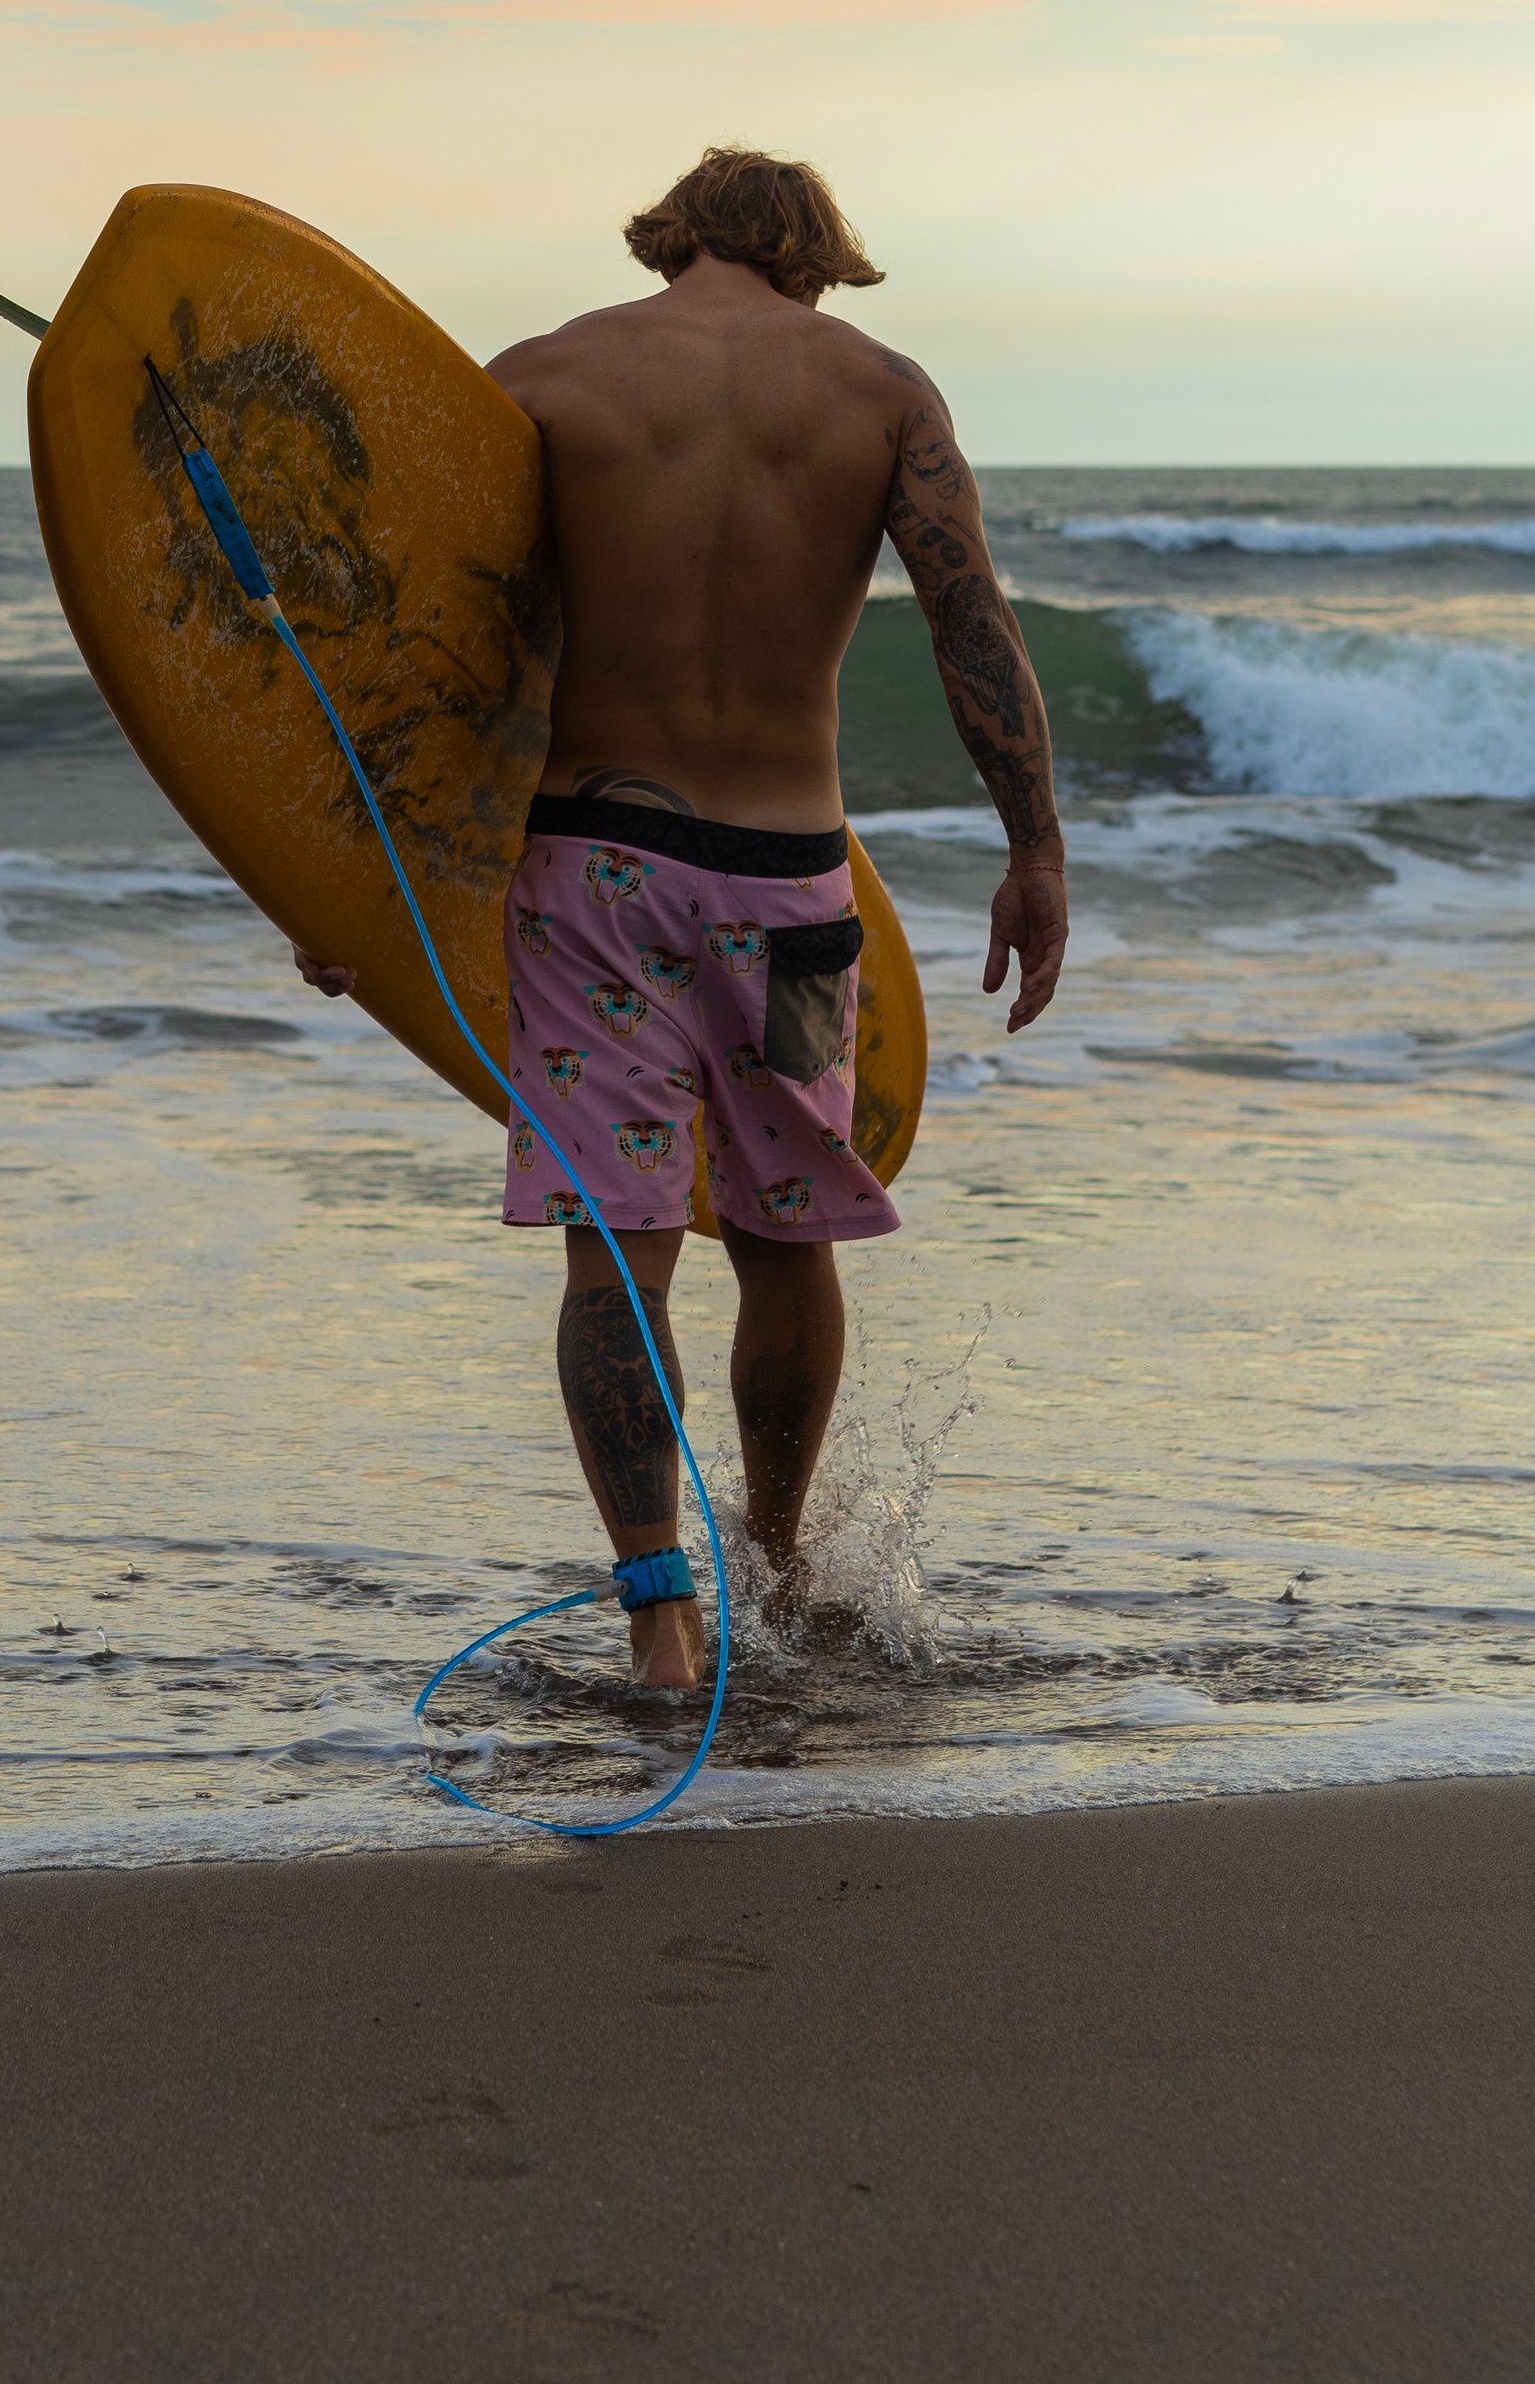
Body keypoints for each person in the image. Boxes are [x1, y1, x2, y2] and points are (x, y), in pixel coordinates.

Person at [294, 148, 1066, 1685]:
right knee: (787, 1235)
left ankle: (661, 1613)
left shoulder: (542, 379)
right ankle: (773, 1579)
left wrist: (350, 882)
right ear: (819, 258)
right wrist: (1034, 844)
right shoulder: (885, 393)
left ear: (670, 243)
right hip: (790, 898)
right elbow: (973, 624)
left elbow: (429, 653)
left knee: (615, 1250)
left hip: (594, 881)